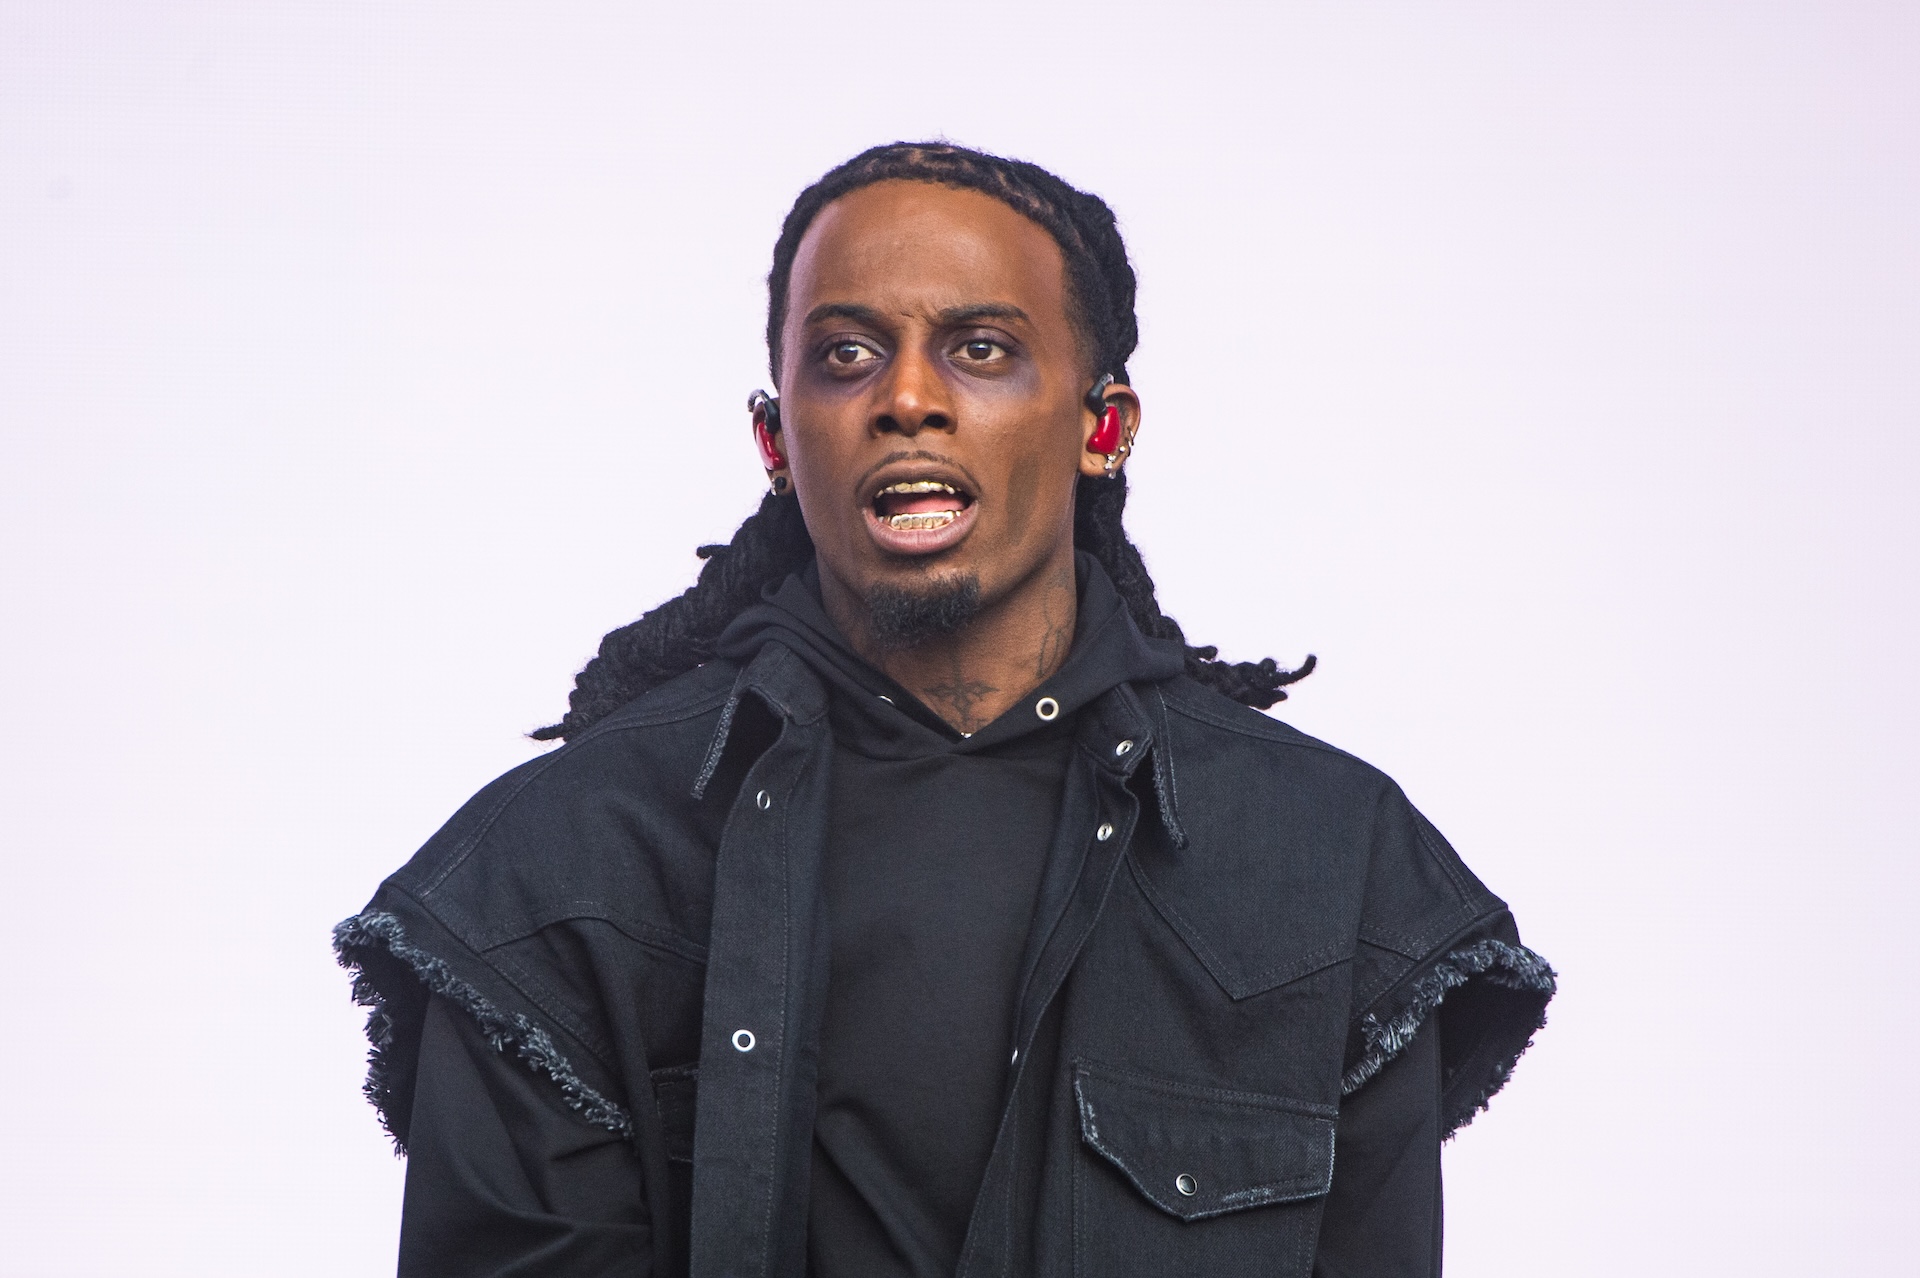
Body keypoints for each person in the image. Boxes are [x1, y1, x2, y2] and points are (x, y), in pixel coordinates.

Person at [335, 141, 1555, 1278]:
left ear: (1104, 426)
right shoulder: (556, 872)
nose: (905, 399)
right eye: (847, 354)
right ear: (776, 437)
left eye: (979, 348)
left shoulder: (1332, 867)